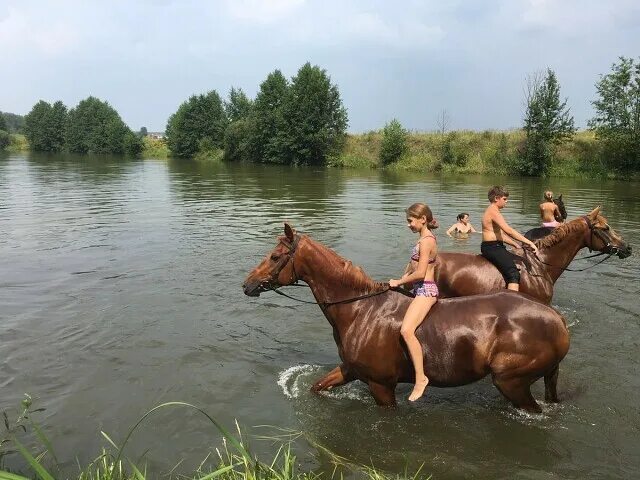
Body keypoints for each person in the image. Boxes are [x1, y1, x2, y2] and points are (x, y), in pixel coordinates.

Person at [389, 203, 439, 401]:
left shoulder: (427, 241)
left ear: (423, 219)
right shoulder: (422, 240)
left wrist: (399, 281)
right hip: (417, 289)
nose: (408, 225)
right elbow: (413, 267)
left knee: (406, 331)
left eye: (410, 221)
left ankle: (420, 378)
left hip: (426, 291)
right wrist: (400, 280)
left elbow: (420, 272)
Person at [481, 186, 538, 291]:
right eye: (505, 199)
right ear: (496, 198)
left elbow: (500, 234)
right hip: (492, 247)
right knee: (513, 274)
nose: (507, 201)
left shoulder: (493, 210)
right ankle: (511, 304)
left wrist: (515, 244)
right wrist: (529, 242)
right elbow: (509, 231)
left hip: (495, 246)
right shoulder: (493, 211)